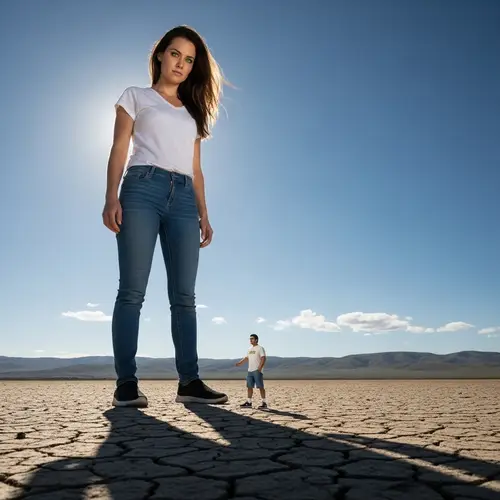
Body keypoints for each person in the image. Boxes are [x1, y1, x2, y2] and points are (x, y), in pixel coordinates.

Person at [102, 25, 228, 408]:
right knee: (132, 291)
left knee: (184, 297)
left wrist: (204, 213)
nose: (182, 64)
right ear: (160, 54)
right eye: (176, 54)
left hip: (185, 200)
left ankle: (188, 382)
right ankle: (126, 383)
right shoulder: (135, 96)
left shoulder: (192, 113)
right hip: (142, 188)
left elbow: (196, 168)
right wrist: (111, 197)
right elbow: (119, 147)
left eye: (190, 60)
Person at [235, 334, 268, 409]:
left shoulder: (260, 348)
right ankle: (249, 402)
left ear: (256, 340)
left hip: (257, 370)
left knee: (260, 386)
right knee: (249, 386)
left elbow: (263, 358)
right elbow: (247, 358)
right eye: (250, 339)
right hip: (250, 370)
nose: (250, 340)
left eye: (252, 339)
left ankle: (264, 402)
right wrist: (240, 363)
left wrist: (260, 368)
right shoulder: (249, 349)